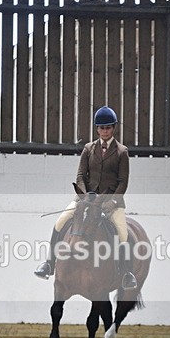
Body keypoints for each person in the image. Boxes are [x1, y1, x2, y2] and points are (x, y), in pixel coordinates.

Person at [34, 106, 137, 290]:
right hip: (84, 199)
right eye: (101, 127)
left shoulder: (122, 151)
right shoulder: (88, 149)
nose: (105, 131)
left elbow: (123, 182)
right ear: (97, 129)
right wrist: (84, 195)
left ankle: (126, 273)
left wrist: (112, 201)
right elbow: (81, 176)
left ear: (113, 128)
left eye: (108, 127)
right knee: (60, 222)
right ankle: (49, 263)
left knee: (123, 233)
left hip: (111, 202)